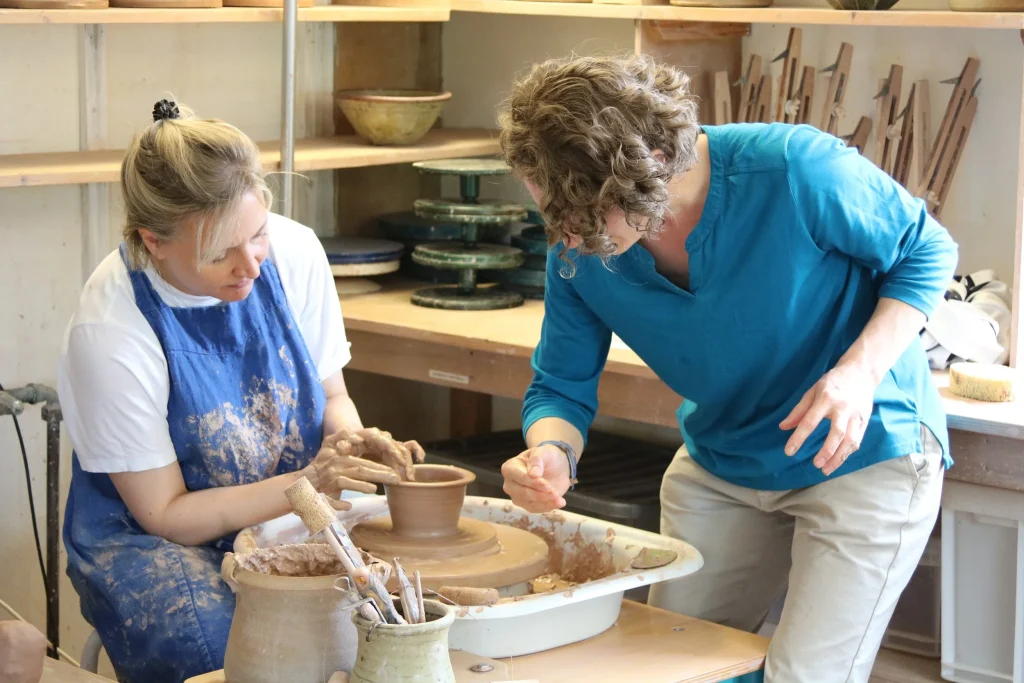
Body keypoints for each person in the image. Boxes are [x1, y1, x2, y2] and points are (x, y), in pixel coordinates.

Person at [496, 55, 958, 682]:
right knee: (672, 669)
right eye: (550, 211)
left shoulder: (794, 169)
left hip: (862, 449)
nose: (564, 235)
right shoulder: (577, 252)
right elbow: (560, 385)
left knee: (804, 675)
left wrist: (857, 373)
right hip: (725, 459)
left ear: (649, 165)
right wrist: (552, 451)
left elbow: (927, 249)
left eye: (578, 212)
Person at [58, 99, 421, 683]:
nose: (249, 265)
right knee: (246, 660)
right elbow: (168, 515)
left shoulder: (296, 252)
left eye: (256, 235)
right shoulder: (112, 327)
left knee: (398, 618)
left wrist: (351, 444)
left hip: (293, 509)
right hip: (153, 542)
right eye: (219, 252)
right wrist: (306, 487)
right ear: (153, 241)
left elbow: (331, 397)